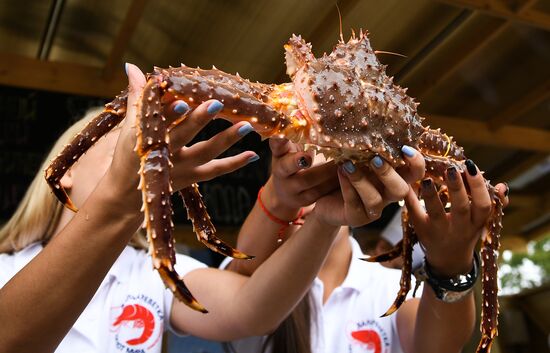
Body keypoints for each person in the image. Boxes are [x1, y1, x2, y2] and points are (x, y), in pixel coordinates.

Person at [0, 63, 421, 353]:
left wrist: (325, 221)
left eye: (149, 139)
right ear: (65, 169)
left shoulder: (154, 270)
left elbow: (249, 311)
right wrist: (118, 200)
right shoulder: (6, 268)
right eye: (121, 140)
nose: (146, 142)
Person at [223, 138, 509, 353]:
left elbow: (436, 345)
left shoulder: (389, 287)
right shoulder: (247, 284)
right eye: (293, 185)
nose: (305, 200)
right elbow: (239, 286)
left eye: (318, 182)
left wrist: (452, 266)